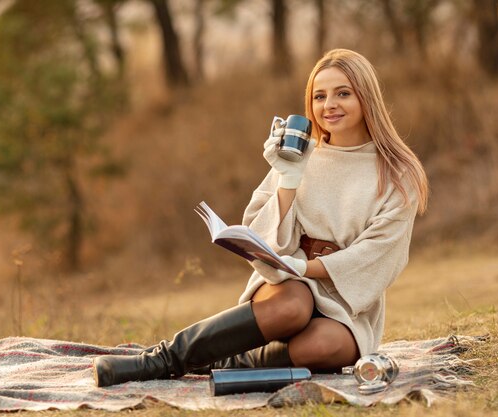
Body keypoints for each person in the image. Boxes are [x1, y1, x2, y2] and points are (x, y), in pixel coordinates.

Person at [93, 48, 429, 387]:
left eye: (343, 93)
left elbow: (377, 254)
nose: (329, 105)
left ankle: (226, 358)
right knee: (294, 305)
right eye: (319, 96)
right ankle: (160, 360)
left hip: (348, 301)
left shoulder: (398, 174)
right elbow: (262, 236)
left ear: (366, 97)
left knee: (324, 346)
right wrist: (288, 180)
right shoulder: (301, 156)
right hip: (288, 286)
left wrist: (307, 268)